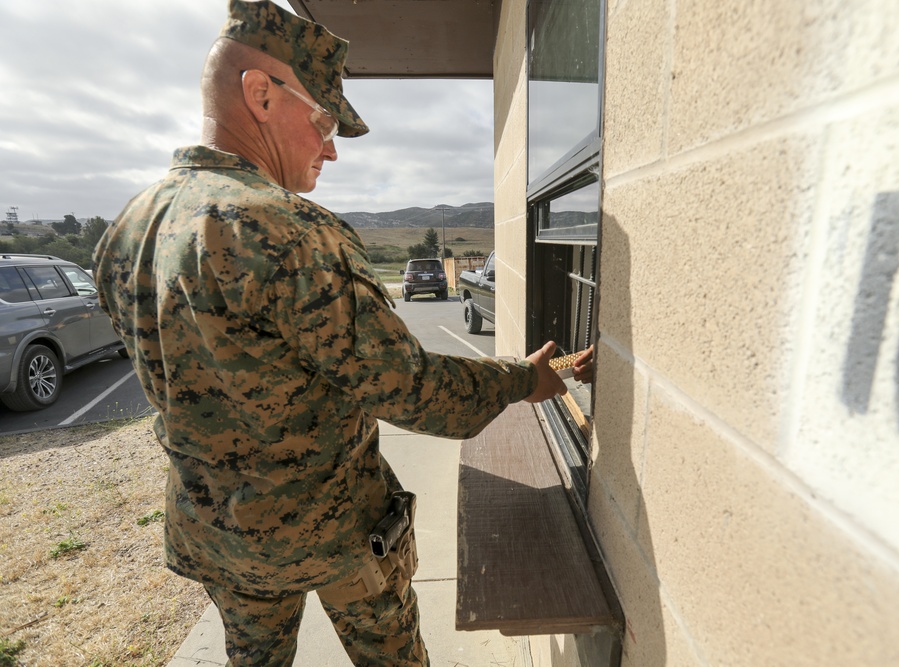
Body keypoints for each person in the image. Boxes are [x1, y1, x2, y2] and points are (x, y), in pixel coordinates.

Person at [92, 2, 567, 665]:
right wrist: (524, 378)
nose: (332, 147)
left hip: (221, 539)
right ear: (259, 93)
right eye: (323, 120)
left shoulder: (129, 228)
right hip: (338, 534)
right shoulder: (290, 232)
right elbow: (413, 390)